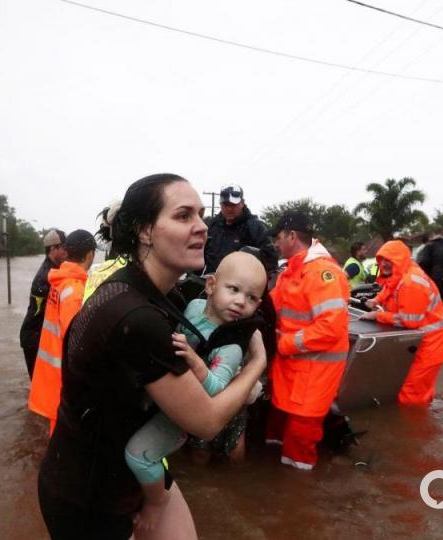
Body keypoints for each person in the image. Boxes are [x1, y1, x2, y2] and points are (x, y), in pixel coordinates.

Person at [38, 174, 267, 540]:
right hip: (90, 498)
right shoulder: (137, 318)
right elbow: (206, 423)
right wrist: (256, 365)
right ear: (145, 231)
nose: (202, 227)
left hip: (129, 469)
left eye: (200, 215)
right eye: (183, 216)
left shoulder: (154, 292)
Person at [124, 251, 267, 531]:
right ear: (211, 285)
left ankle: (157, 502)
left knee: (138, 457)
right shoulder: (193, 307)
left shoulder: (231, 347)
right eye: (234, 289)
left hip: (183, 417)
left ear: (258, 304)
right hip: (165, 396)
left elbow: (215, 390)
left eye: (251, 298)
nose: (240, 301)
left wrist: (194, 360)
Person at [266, 212, 350, 470]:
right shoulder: (292, 271)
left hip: (314, 370)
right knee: (277, 428)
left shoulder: (323, 272)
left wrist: (283, 344)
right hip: (291, 366)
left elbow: (330, 328)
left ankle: (297, 494)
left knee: (301, 436)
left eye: (278, 237)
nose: (275, 244)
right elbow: (271, 306)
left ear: (292, 236)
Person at [362, 240, 443, 406]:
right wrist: (376, 300)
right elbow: (390, 287)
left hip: (430, 345)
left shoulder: (412, 283)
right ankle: (425, 407)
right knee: (419, 389)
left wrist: (378, 315)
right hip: (421, 342)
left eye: (388, 260)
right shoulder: (403, 271)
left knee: (411, 394)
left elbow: (409, 321)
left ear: (399, 259)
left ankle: (413, 427)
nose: (383, 264)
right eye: (381, 259)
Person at [29, 230, 98, 435]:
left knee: (56, 434)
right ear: (90, 255)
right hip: (62, 377)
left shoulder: (59, 281)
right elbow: (74, 341)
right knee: (63, 439)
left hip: (51, 372)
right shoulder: (74, 290)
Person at [19, 229, 67, 379]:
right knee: (40, 388)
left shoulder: (56, 270)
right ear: (53, 249)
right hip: (33, 338)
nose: (67, 251)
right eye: (64, 247)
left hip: (39, 336)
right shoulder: (46, 277)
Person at [202, 184, 278, 277]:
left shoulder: (255, 227)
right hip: (212, 282)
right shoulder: (211, 226)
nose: (229, 208)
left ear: (242, 203)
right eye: (226, 204)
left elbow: (270, 261)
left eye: (233, 205)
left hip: (242, 284)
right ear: (220, 204)